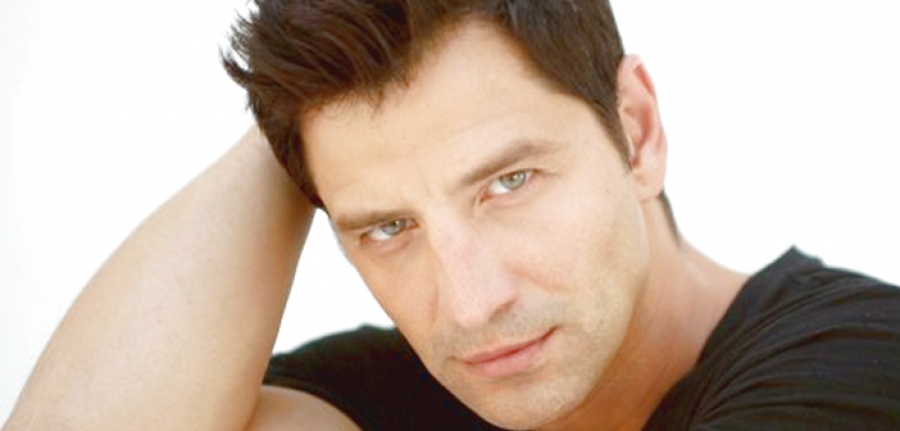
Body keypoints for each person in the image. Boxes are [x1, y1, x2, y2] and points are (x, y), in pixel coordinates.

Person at [4, 1, 900, 430]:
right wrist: (293, 120)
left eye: (508, 182)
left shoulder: (857, 359)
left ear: (635, 129)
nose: (469, 304)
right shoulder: (386, 395)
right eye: (387, 227)